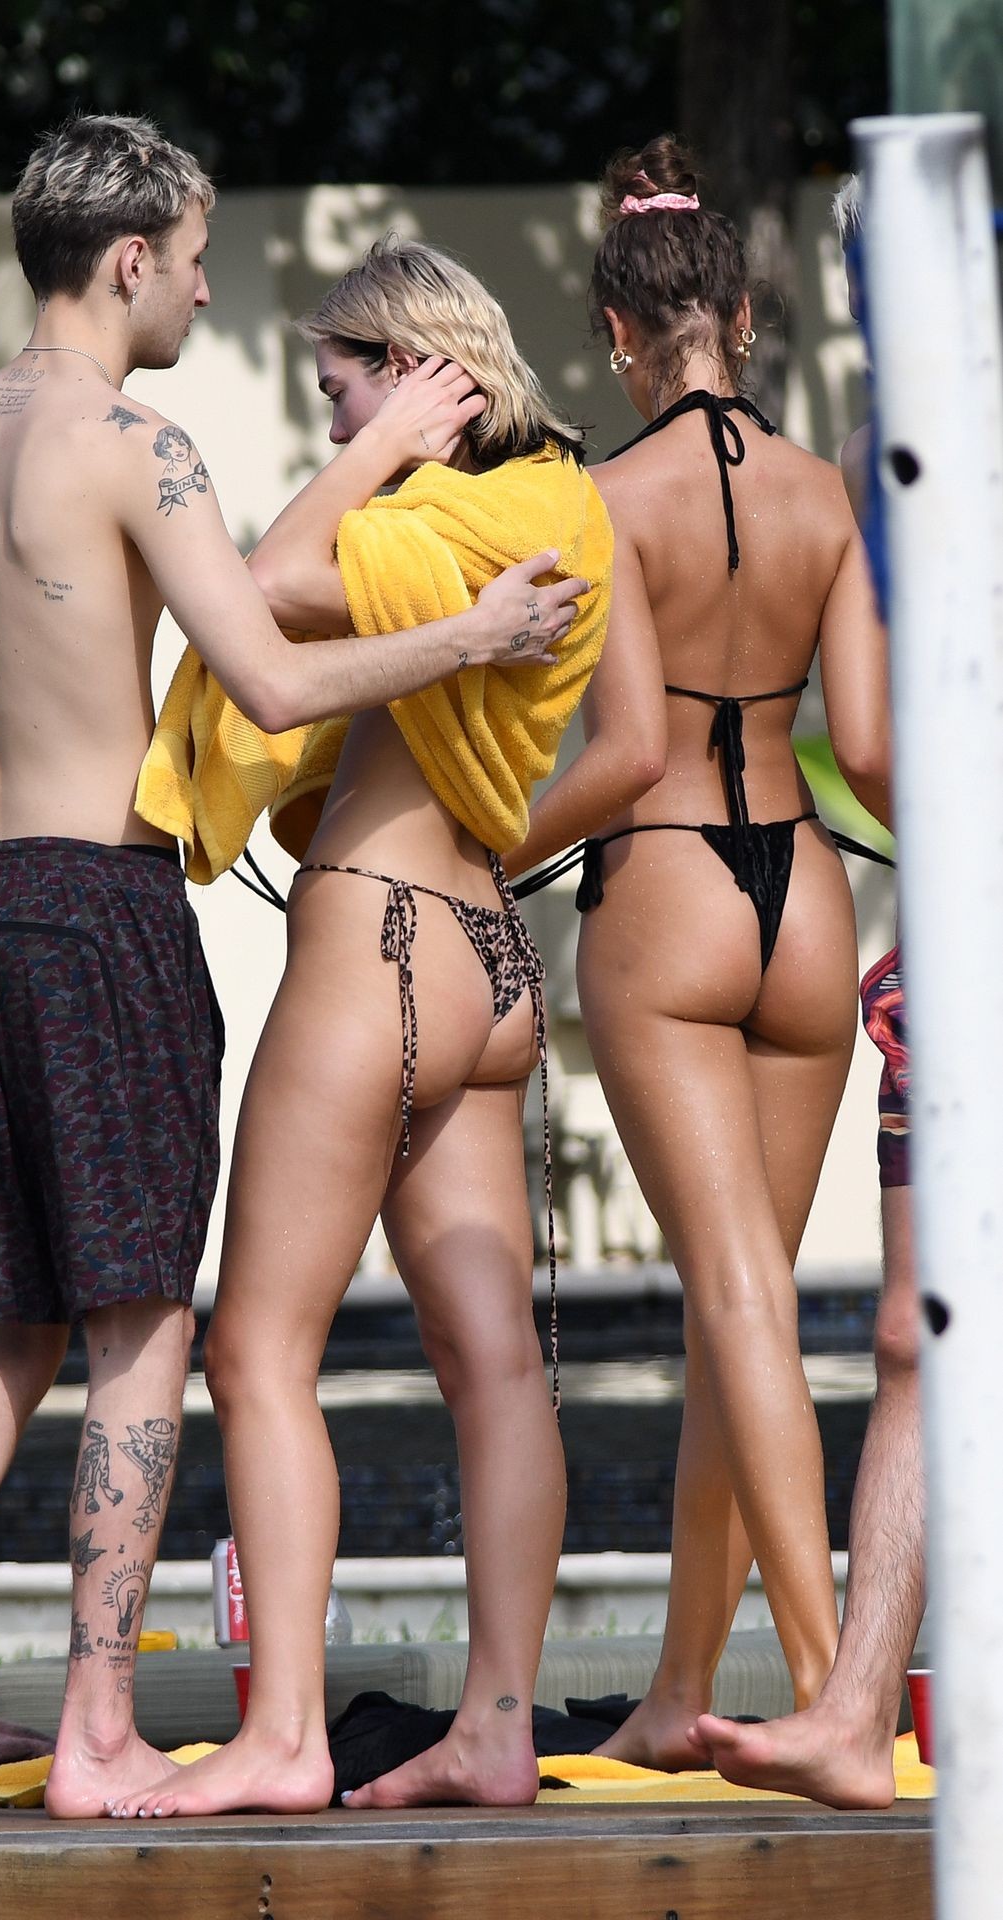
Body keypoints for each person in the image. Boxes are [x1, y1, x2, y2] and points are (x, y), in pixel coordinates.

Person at [0, 117, 585, 1817]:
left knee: (0, 1324)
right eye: (188, 260)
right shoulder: (135, 445)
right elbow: (268, 676)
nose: (198, 289)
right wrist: (469, 636)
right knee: (138, 1323)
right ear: (127, 261)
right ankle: (99, 1723)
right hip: (97, 902)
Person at [110, 235, 638, 1819]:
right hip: (491, 953)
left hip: (379, 943)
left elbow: (263, 588)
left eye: (345, 394)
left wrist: (383, 452)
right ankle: (495, 1726)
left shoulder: (428, 519)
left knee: (258, 1348)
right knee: (498, 1365)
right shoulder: (566, 507)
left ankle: (280, 1733)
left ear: (416, 374)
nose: (335, 430)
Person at [505, 137, 891, 1769]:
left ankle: (827, 1695)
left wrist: (483, 850)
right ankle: (679, 1689)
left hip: (665, 885)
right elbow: (864, 750)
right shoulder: (822, 496)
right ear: (741, 317)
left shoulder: (602, 500)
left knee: (733, 1303)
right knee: (746, 1315)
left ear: (615, 334)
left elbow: (622, 756)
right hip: (803, 899)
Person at [692, 175, 922, 1808]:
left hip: (802, 896)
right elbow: (876, 740)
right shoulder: (856, 470)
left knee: (818, 1314)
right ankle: (845, 1704)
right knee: (906, 1335)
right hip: (907, 929)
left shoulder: (876, 463)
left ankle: (829, 1688)